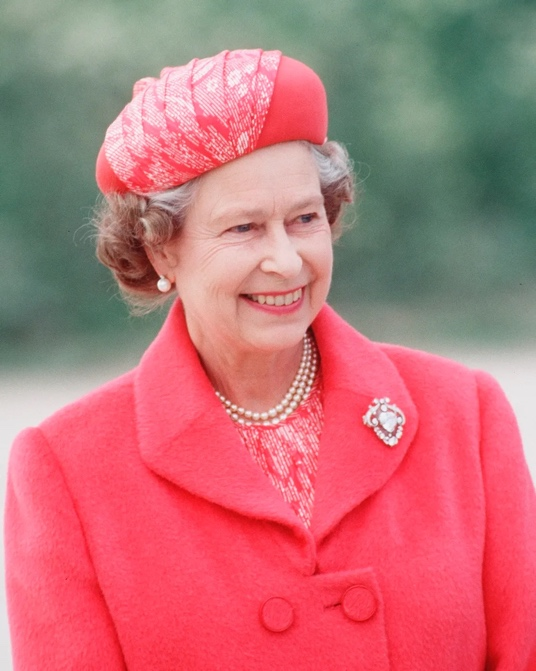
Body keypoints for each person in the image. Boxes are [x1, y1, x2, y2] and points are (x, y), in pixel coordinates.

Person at [4, 49, 536, 671]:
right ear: (161, 250)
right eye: (244, 228)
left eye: (304, 218)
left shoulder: (464, 414)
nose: (286, 261)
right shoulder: (65, 471)